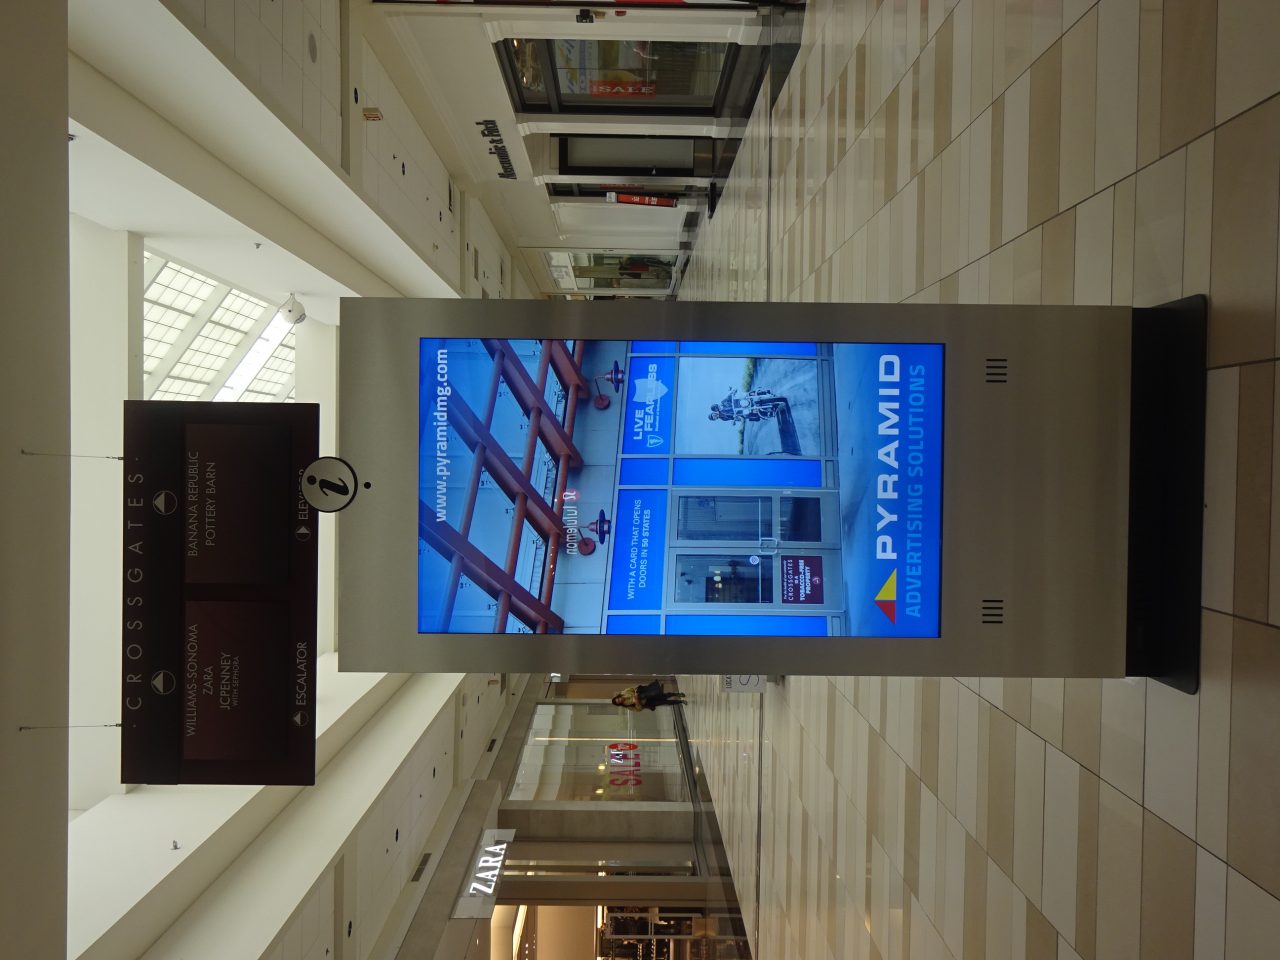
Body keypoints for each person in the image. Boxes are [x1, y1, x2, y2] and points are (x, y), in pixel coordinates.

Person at [611, 680, 687, 711]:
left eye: (618, 699)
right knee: (664, 702)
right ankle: (681, 701)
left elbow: (633, 689)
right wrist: (637, 702)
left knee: (664, 695)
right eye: (619, 702)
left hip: (646, 694)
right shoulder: (628, 706)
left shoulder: (624, 692)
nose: (620, 700)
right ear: (620, 704)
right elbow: (638, 709)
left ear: (618, 697)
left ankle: (677, 694)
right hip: (648, 702)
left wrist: (636, 694)